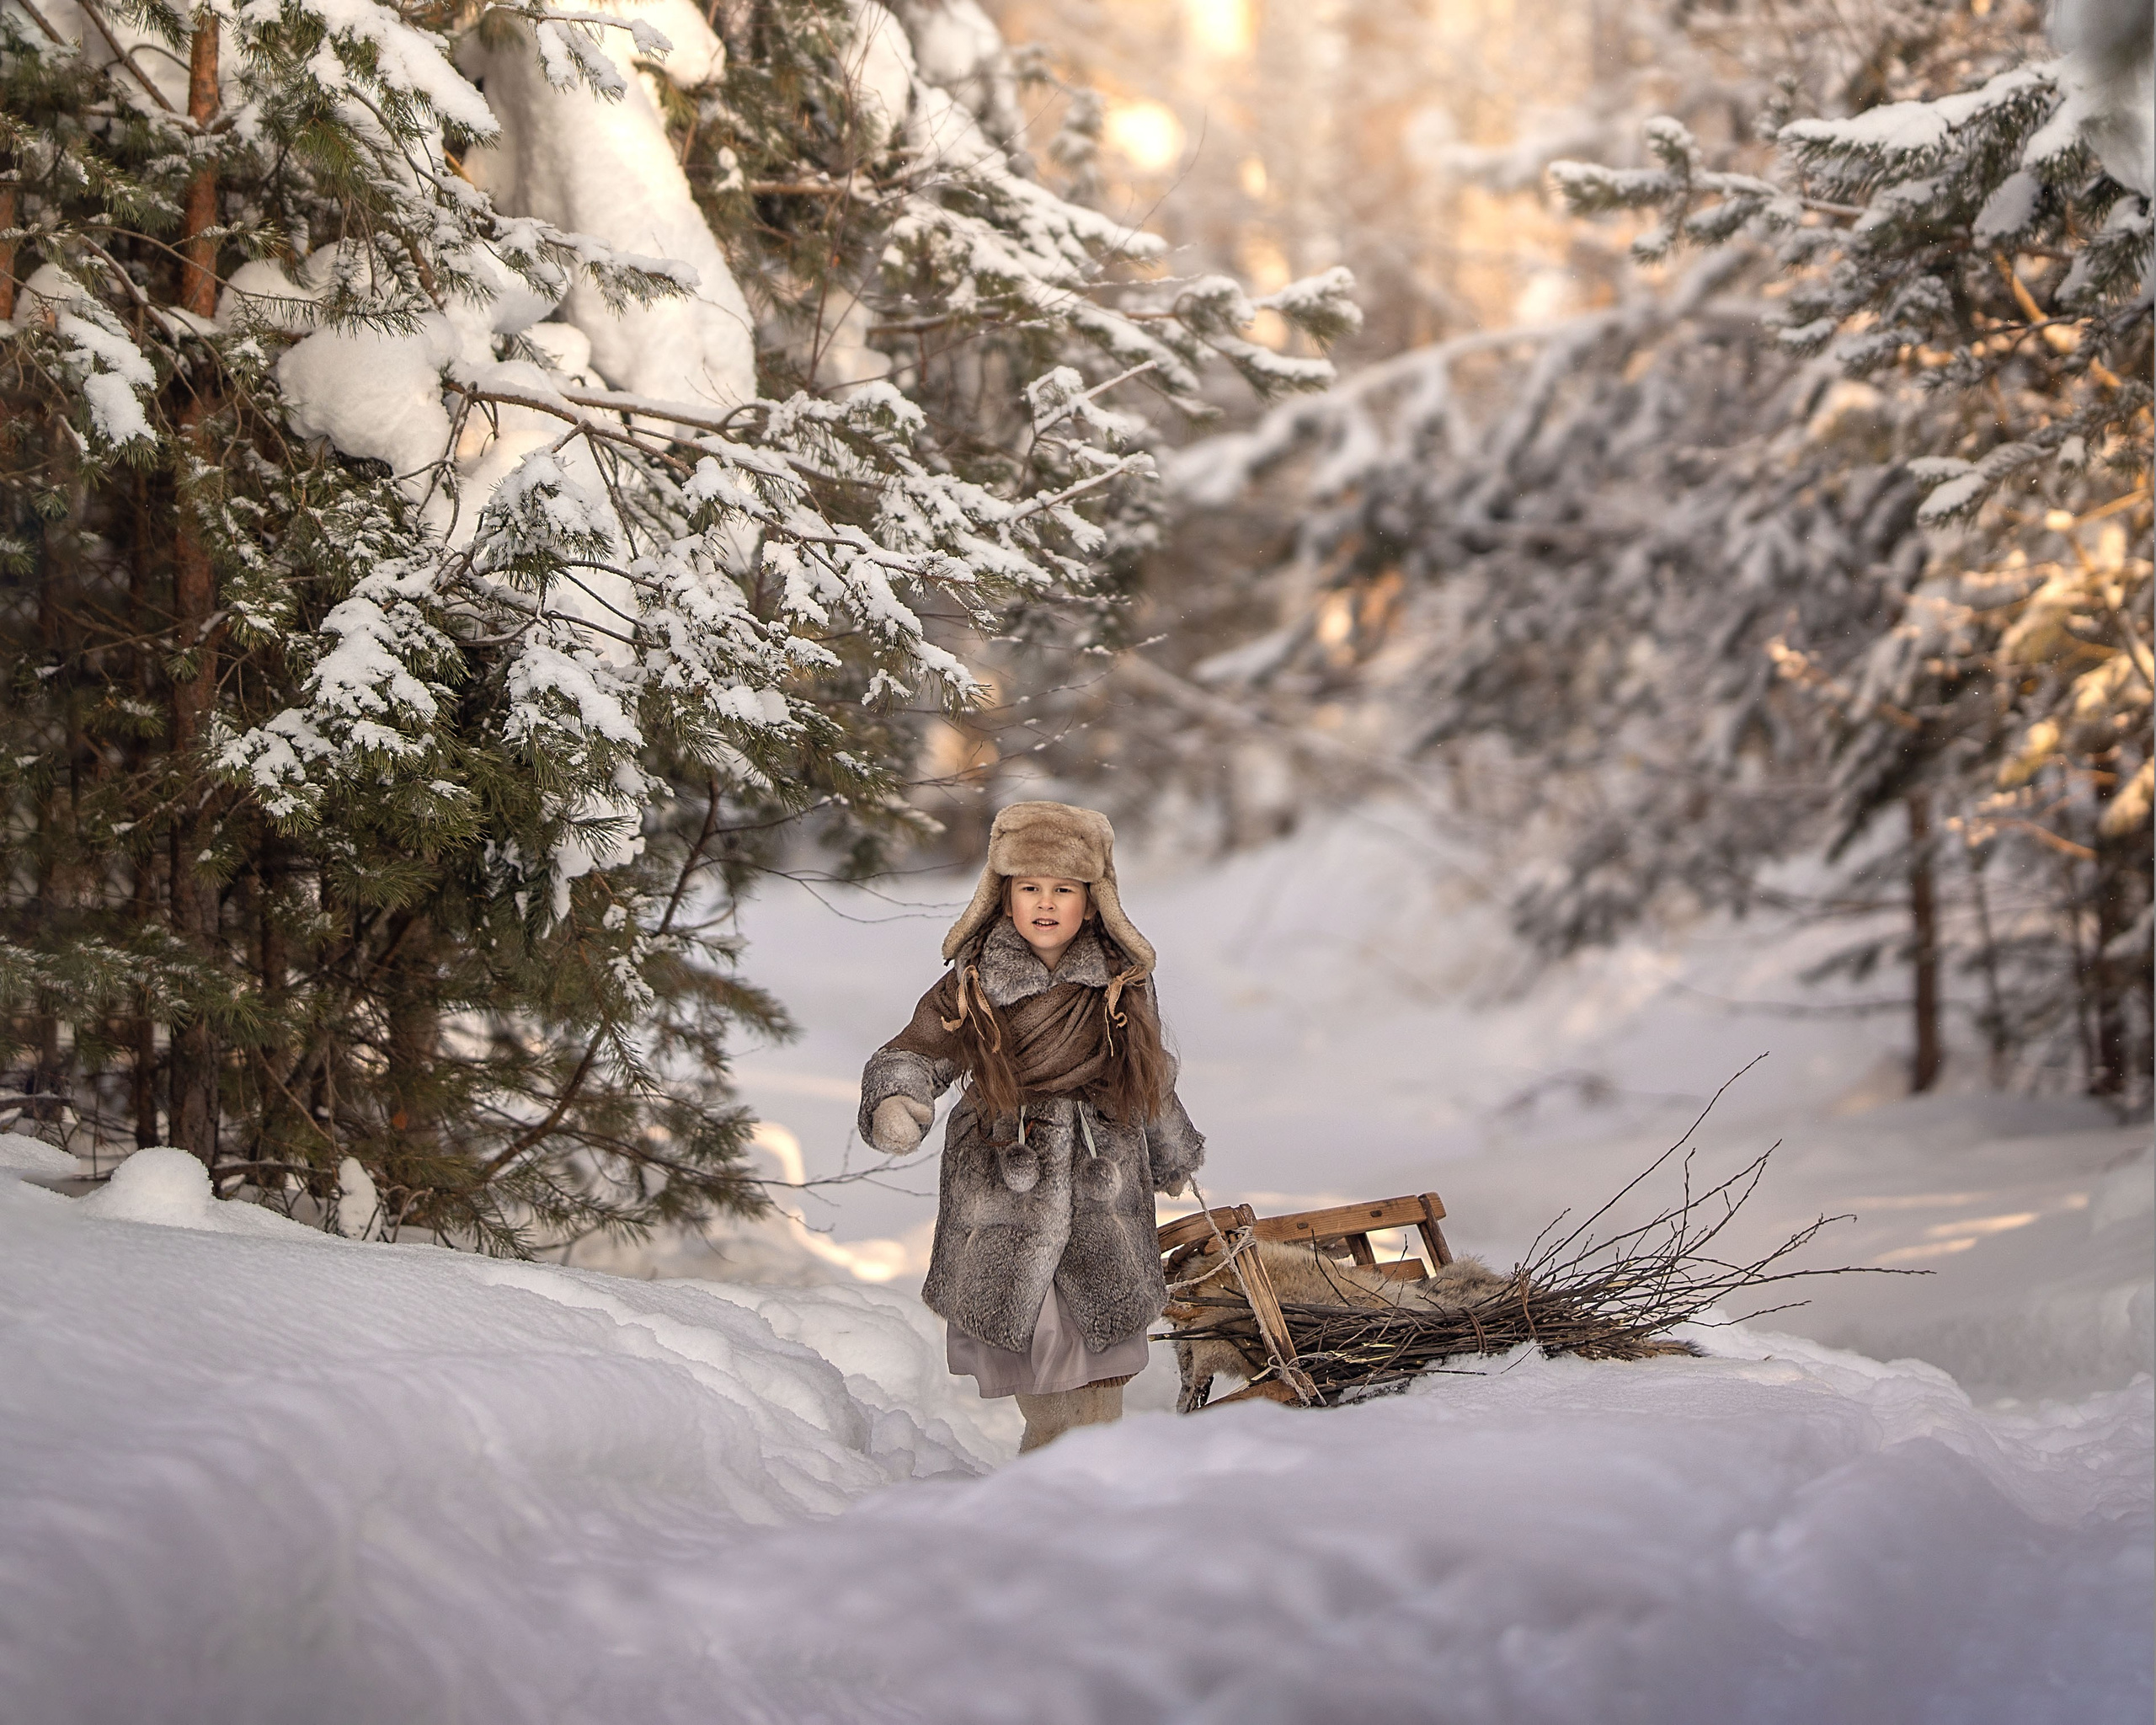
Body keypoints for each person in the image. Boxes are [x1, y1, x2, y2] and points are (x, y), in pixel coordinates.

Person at [858, 801, 1205, 1452]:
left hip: (1103, 1180)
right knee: (1040, 1371)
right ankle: (1048, 1480)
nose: (1046, 904)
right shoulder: (972, 982)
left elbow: (1148, 1073)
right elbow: (916, 1049)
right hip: (1004, 1177)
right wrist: (898, 1098)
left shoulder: (1121, 983)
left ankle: (1085, 1488)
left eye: (1064, 890)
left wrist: (1171, 1148)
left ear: (1093, 899)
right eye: (1030, 888)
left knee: (1100, 1369)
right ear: (1003, 896)